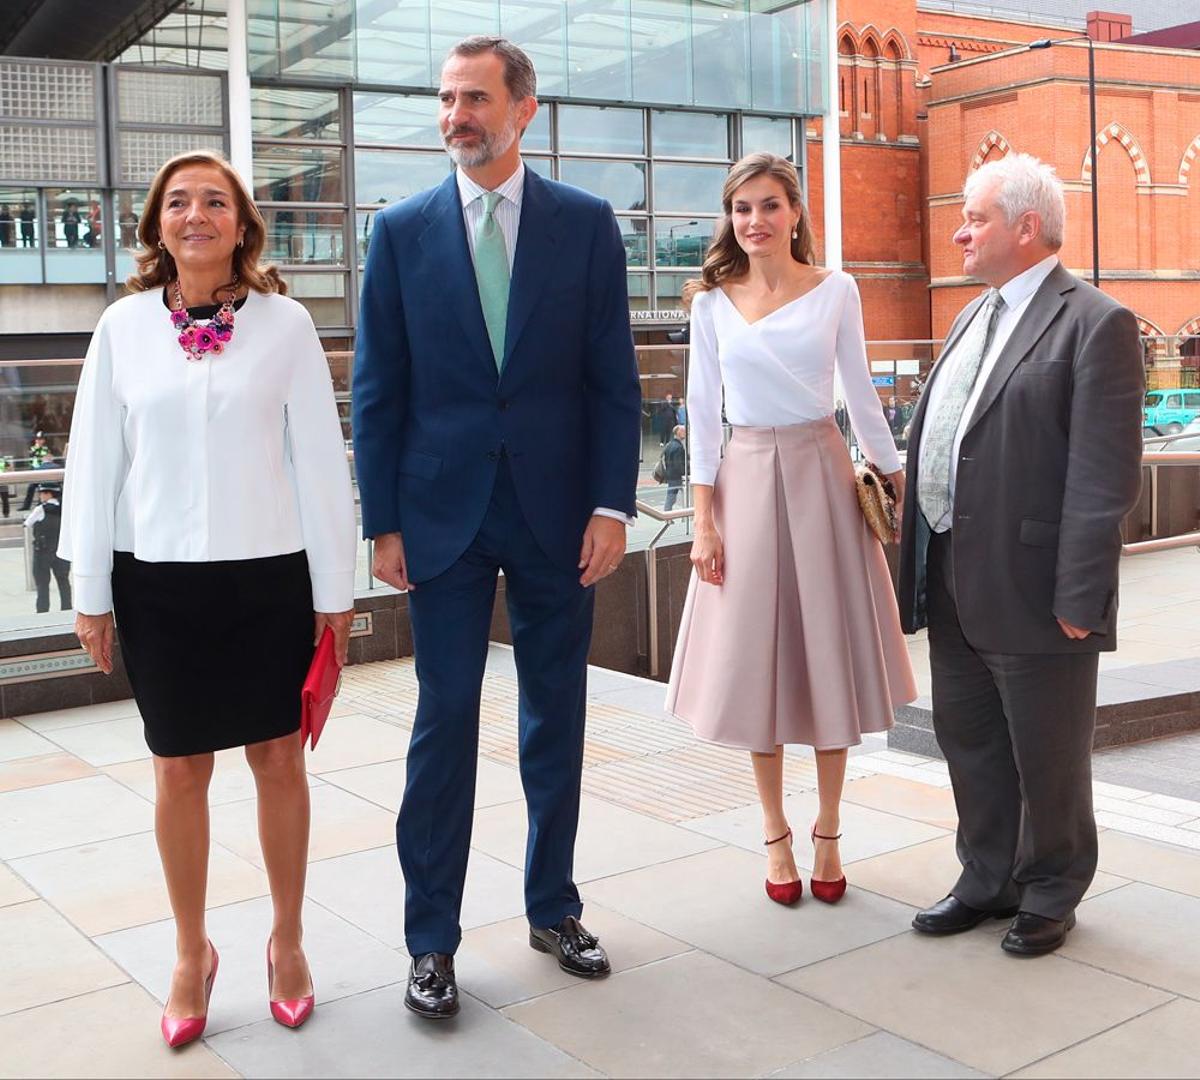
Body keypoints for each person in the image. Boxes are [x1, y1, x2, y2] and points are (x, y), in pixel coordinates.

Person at [353, 35, 641, 1021]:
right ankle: (430, 939)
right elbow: (378, 390)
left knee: (553, 718)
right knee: (443, 725)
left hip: (562, 517)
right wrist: (381, 521)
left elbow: (613, 381)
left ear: (523, 109)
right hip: (441, 518)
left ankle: (552, 906)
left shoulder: (588, 225)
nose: (454, 116)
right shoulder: (398, 232)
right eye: (445, 99)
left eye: (473, 98)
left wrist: (613, 505)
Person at [60, 149, 356, 1045]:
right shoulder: (120, 328)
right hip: (155, 582)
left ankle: (289, 939)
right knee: (178, 770)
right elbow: (93, 463)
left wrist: (334, 596)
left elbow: (318, 461)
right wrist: (91, 591)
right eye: (179, 202)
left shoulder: (288, 324)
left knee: (278, 761)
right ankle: (191, 952)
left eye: (215, 202)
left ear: (241, 223)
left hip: (268, 579)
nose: (196, 215)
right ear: (157, 223)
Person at [898, 154, 1144, 956]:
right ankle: (986, 878)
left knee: (1049, 754)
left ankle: (1050, 889)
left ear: (1026, 227)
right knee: (970, 742)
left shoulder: (1095, 322)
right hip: (952, 572)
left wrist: (1082, 592)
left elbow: (1103, 474)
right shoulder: (974, 314)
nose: (961, 233)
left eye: (975, 217)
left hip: (1037, 585)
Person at [666, 152, 917, 907]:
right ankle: (775, 834)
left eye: (769, 206)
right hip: (743, 477)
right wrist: (703, 524)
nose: (755, 222)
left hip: (822, 472)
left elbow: (860, 392)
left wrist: (893, 471)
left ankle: (831, 829)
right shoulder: (710, 303)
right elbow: (701, 417)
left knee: (829, 656)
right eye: (742, 209)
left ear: (795, 212)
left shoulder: (836, 289)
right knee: (758, 664)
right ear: (730, 217)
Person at [25, 482, 71, 613]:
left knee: (42, 584)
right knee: (63, 582)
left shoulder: (41, 509)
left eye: (42, 493)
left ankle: (43, 611)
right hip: (60, 550)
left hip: (42, 551)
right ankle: (66, 608)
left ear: (48, 494)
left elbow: (27, 523)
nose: (40, 496)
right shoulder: (64, 508)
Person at [21, 432, 50, 511]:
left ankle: (40, 504)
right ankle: (26, 506)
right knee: (31, 488)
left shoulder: (45, 448)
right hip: (34, 469)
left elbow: (44, 456)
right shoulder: (32, 448)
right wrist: (36, 449)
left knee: (42, 488)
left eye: (40, 439)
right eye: (37, 439)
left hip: (42, 469)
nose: (38, 441)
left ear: (43, 440)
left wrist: (38, 451)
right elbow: (32, 454)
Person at [662, 423, 687, 511]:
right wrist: (686, 472)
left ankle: (668, 514)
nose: (685, 433)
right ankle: (667, 514)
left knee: (672, 494)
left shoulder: (670, 444)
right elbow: (678, 464)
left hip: (670, 474)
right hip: (676, 476)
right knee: (672, 496)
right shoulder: (678, 447)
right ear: (678, 433)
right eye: (683, 431)